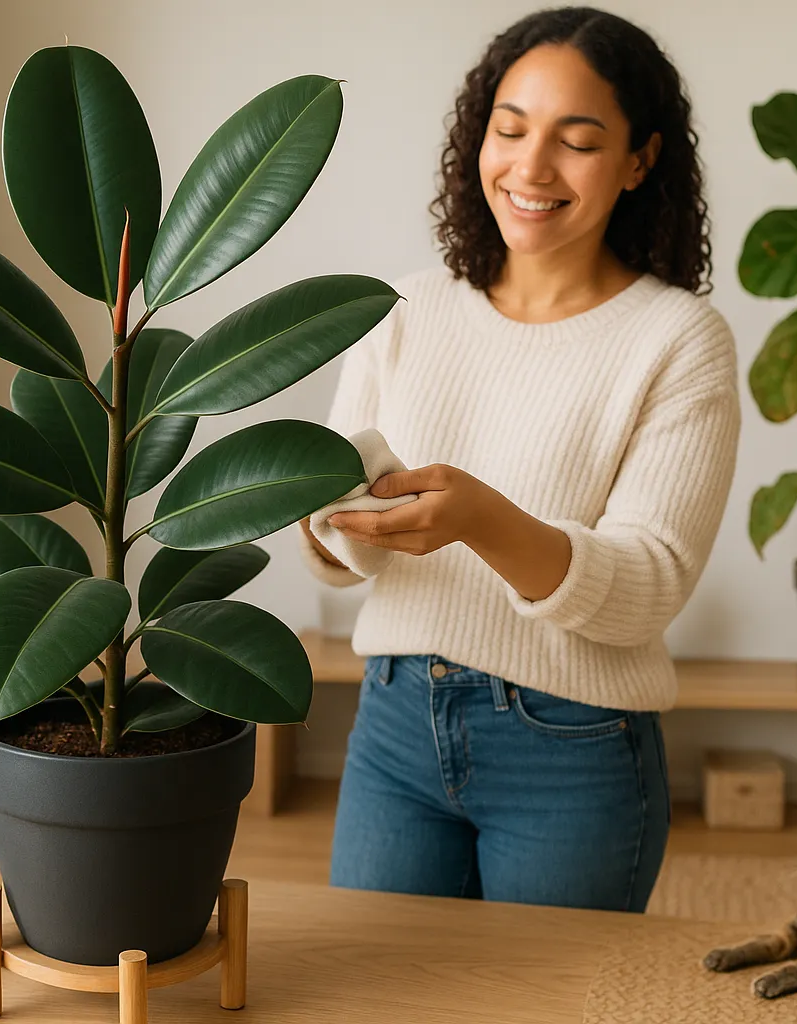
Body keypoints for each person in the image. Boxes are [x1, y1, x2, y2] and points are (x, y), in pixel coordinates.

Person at [297, 5, 741, 912]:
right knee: (374, 998)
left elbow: (651, 584)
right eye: (510, 130)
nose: (530, 168)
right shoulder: (405, 309)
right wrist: (329, 514)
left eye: (577, 141)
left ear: (640, 160)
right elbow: (341, 565)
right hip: (393, 724)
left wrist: (481, 521)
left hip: (572, 748)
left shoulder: (678, 339)